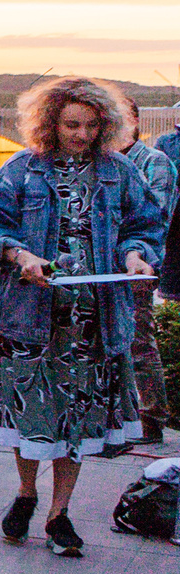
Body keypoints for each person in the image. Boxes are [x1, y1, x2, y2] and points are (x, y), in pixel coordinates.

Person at [0, 77, 163, 557]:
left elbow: (145, 226)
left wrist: (135, 257)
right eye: (72, 125)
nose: (82, 134)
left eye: (92, 125)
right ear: (50, 123)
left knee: (79, 418)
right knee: (29, 412)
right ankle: (26, 492)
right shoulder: (21, 170)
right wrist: (22, 256)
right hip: (30, 313)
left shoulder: (120, 171)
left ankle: (59, 514)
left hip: (93, 318)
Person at [112, 89, 173, 442]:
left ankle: (151, 418)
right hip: (103, 266)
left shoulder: (154, 161)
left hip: (138, 265)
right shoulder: (102, 160)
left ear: (134, 122)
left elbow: (154, 217)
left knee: (138, 340)